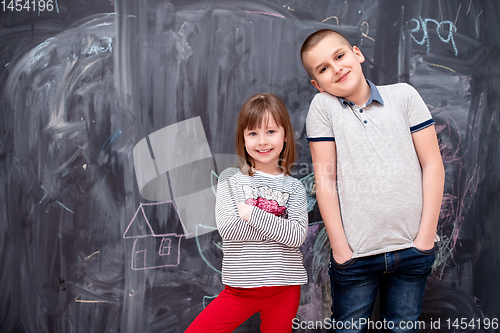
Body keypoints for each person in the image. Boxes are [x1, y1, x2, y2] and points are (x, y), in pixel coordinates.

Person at [300, 29, 445, 332]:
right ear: (317, 84)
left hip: (412, 248)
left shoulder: (404, 96)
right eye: (323, 68)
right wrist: (341, 250)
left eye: (339, 56)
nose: (336, 68)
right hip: (356, 257)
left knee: (402, 328)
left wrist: (425, 238)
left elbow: (432, 164)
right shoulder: (323, 108)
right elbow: (324, 180)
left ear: (357, 53)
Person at [185, 93, 308, 333]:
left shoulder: (294, 187)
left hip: (285, 289)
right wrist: (277, 227)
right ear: (243, 139)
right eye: (253, 133)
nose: (262, 141)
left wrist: (252, 213)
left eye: (271, 132)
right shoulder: (230, 179)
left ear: (285, 136)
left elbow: (296, 237)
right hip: (239, 290)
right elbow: (229, 230)